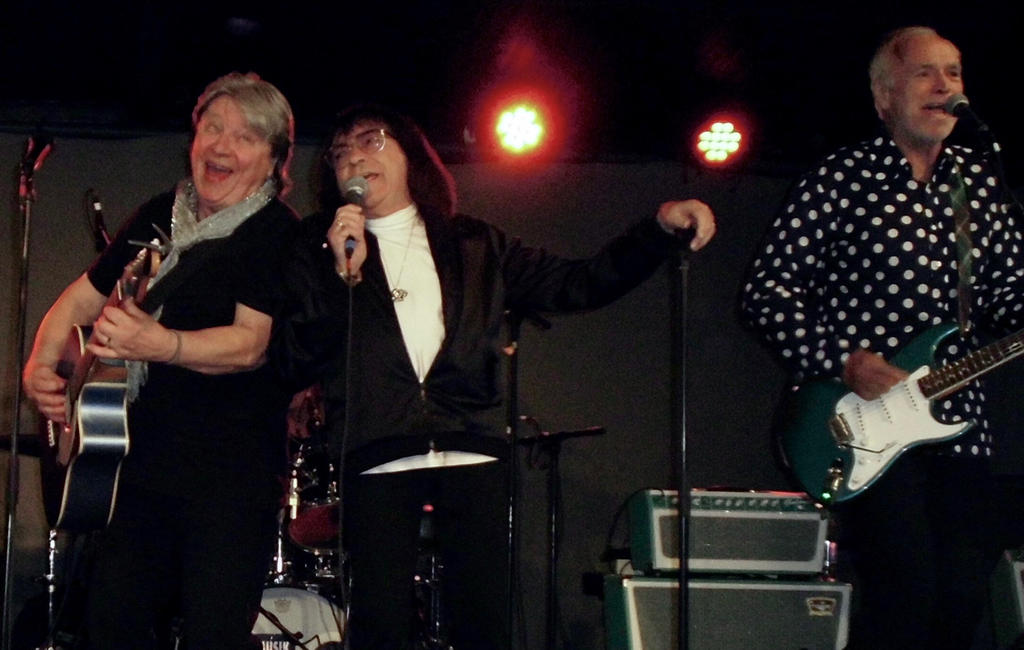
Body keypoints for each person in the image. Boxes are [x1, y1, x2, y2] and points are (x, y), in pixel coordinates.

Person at [271, 104, 715, 649]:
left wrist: (656, 230)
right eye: (340, 153)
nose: (354, 159)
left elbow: (577, 284)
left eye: (371, 141)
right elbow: (294, 357)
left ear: (412, 155)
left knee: (483, 623)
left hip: (472, 447)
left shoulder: (473, 244)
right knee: (379, 625)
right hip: (377, 450)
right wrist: (343, 277)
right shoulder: (318, 249)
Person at [740, 26, 1024, 649]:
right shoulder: (841, 179)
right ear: (884, 96)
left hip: (962, 426)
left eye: (954, 72)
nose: (945, 85)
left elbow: (1005, 299)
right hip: (864, 424)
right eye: (926, 72)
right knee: (904, 594)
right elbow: (766, 292)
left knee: (961, 601)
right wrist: (843, 361)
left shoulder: (978, 185)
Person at [22, 72, 299, 649]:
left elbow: (250, 345)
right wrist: (40, 368)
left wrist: (162, 345)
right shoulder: (160, 215)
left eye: (245, 137)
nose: (221, 146)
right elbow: (81, 297)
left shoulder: (274, 234)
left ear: (274, 160)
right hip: (137, 471)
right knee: (110, 628)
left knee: (211, 635)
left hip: (228, 480)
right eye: (212, 128)